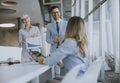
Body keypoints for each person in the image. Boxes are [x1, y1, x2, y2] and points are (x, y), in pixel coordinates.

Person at [37, 16, 88, 83]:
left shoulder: (70, 42)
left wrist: (43, 60)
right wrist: (60, 63)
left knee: (48, 81)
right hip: (83, 77)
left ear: (69, 28)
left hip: (75, 79)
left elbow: (51, 60)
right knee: (55, 78)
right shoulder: (82, 42)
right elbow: (73, 60)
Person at [46, 6, 67, 76]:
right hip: (54, 51)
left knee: (66, 69)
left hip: (64, 49)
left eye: (57, 12)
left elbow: (69, 36)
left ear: (60, 13)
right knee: (57, 71)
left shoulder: (66, 23)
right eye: (53, 13)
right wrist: (53, 40)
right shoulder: (49, 26)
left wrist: (64, 40)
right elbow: (47, 39)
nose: (56, 14)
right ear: (51, 14)